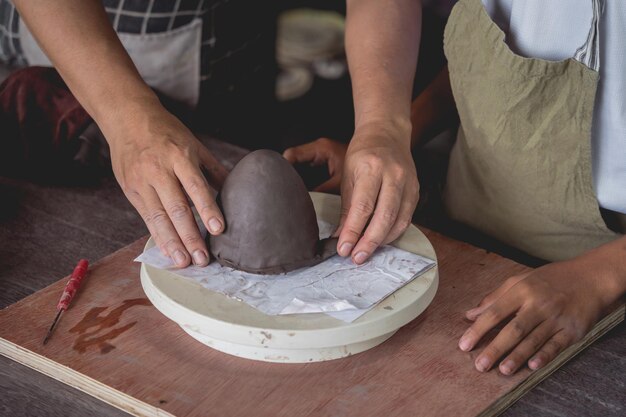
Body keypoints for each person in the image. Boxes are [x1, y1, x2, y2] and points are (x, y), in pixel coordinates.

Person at [285, 0, 626, 375]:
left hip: (604, 268)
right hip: (468, 220)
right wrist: (386, 134)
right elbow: (503, 63)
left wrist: (598, 275)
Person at [10, 0, 422, 269]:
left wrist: (383, 124)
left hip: (233, 55)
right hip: (77, 45)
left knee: (244, 177)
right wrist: (126, 117)